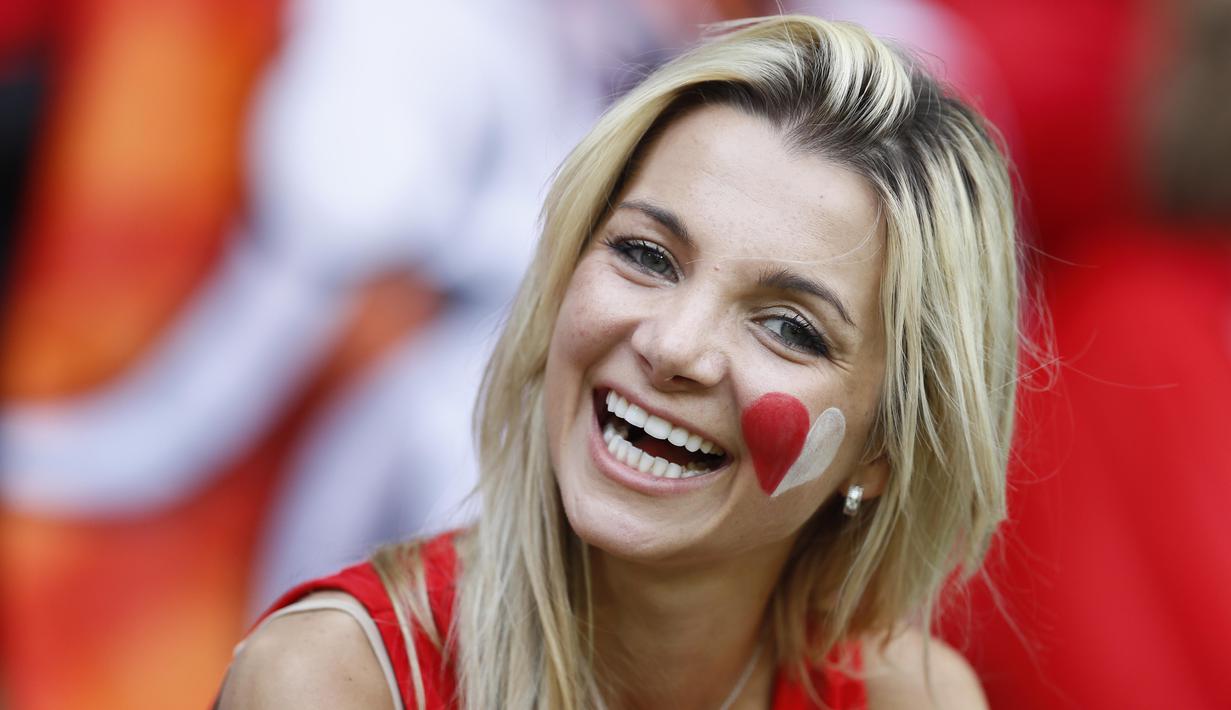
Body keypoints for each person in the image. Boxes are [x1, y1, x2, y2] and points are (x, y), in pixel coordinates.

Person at [216, 14, 1018, 709]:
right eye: (645, 254)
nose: (672, 346)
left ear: (884, 446)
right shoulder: (331, 682)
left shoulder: (908, 697)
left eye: (787, 327)